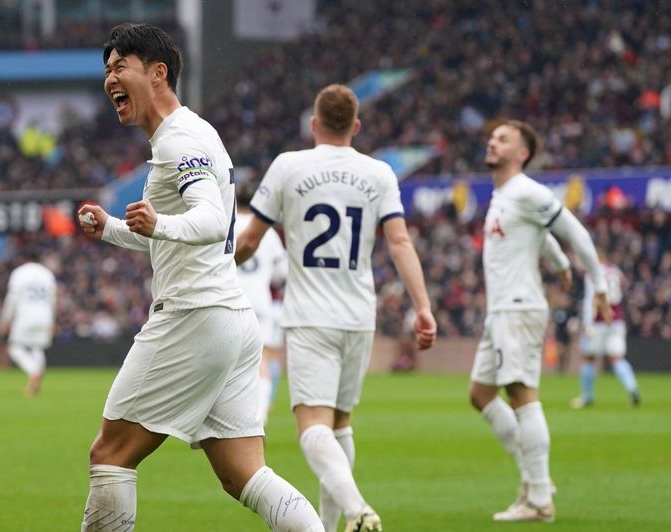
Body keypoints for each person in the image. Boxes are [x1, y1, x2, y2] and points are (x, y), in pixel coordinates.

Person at [76, 23, 323, 531]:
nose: (110, 79)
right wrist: (114, 229)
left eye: (120, 66)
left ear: (158, 72)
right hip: (231, 319)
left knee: (110, 454)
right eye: (107, 70)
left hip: (192, 316)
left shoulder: (179, 141)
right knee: (242, 473)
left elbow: (209, 221)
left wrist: (159, 223)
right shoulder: (197, 131)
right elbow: (176, 234)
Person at [236, 83, 437, 532]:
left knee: (312, 425)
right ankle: (330, 525)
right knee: (340, 423)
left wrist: (214, 269)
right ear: (356, 126)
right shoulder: (379, 173)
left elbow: (249, 241)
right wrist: (423, 306)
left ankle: (357, 510)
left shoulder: (288, 166)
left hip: (310, 315)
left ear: (313, 124)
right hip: (358, 314)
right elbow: (399, 242)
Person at [469, 120, 612, 523]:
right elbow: (539, 234)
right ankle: (537, 482)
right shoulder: (505, 196)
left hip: (519, 308)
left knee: (521, 394)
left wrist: (599, 284)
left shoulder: (527, 191)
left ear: (522, 154)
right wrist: (560, 262)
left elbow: (575, 231)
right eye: (493, 137)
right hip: (501, 310)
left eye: (503, 139)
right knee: (481, 393)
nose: (492, 142)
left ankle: (538, 498)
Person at [234, 182, 288, 426]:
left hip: (227, 299)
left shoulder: (225, 224)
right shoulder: (266, 230)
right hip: (259, 302)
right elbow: (281, 273)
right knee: (261, 359)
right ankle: (260, 416)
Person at [571, 250, 640, 408]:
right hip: (616, 321)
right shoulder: (616, 271)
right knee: (617, 359)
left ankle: (587, 397)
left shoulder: (593, 274)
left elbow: (591, 299)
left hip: (598, 322)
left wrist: (588, 323)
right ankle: (632, 388)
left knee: (588, 358)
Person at [1, 251, 57, 397]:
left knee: (14, 348)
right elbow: (53, 299)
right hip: (45, 315)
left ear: (25, 259)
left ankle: (34, 372)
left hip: (25, 315)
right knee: (37, 348)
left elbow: (12, 298)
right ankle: (36, 377)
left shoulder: (20, 272)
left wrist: (6, 319)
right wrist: (52, 321)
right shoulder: (47, 274)